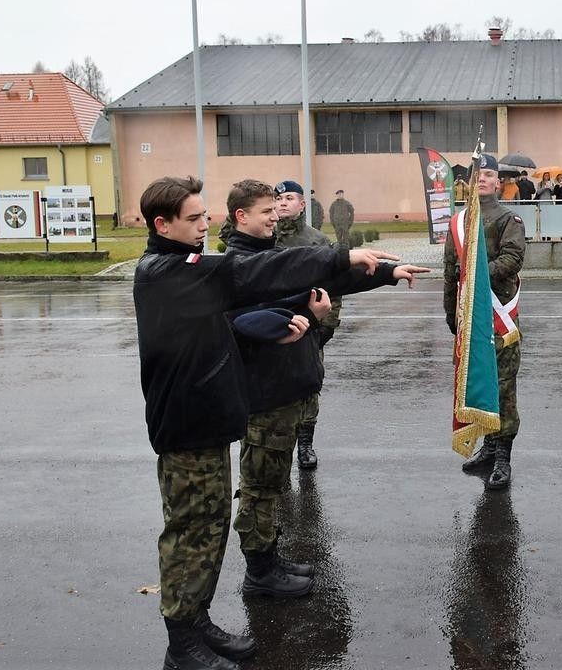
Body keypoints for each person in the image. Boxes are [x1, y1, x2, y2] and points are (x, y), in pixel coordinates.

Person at [132, 175, 398, 670]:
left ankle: (198, 622)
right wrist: (340, 257)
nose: (203, 223)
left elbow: (276, 275)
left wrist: (374, 271)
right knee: (190, 533)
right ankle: (181, 644)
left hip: (208, 421)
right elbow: (256, 273)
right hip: (187, 427)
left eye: (202, 214)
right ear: (161, 224)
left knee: (208, 531)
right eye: (193, 219)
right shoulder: (165, 270)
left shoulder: (185, 266)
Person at [224, 180, 426, 600]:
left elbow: (321, 279)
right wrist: (308, 317)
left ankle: (270, 558)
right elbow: (262, 317)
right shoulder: (239, 264)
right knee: (260, 489)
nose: (275, 215)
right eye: (266, 211)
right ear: (241, 216)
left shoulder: (264, 256)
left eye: (277, 208)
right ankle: (259, 572)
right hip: (265, 397)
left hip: (285, 391)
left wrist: (387, 273)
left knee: (274, 485)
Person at [443, 153, 526, 490]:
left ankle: (503, 456)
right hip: (470, 320)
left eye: (490, 175)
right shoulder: (458, 223)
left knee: (503, 389)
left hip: (498, 318)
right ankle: (488, 447)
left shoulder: (508, 219)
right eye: (479, 175)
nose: (484, 181)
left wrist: (477, 278)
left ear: (498, 181)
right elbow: (451, 271)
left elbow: (513, 258)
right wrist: (452, 312)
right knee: (479, 384)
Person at [273, 179, 336, 471]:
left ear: (302, 205)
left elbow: (333, 287)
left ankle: (306, 444)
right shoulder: (265, 238)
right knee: (274, 388)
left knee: (310, 386)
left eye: (289, 198)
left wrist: (326, 325)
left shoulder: (317, 241)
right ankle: (279, 446)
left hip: (310, 326)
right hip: (273, 327)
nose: (283, 203)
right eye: (278, 198)